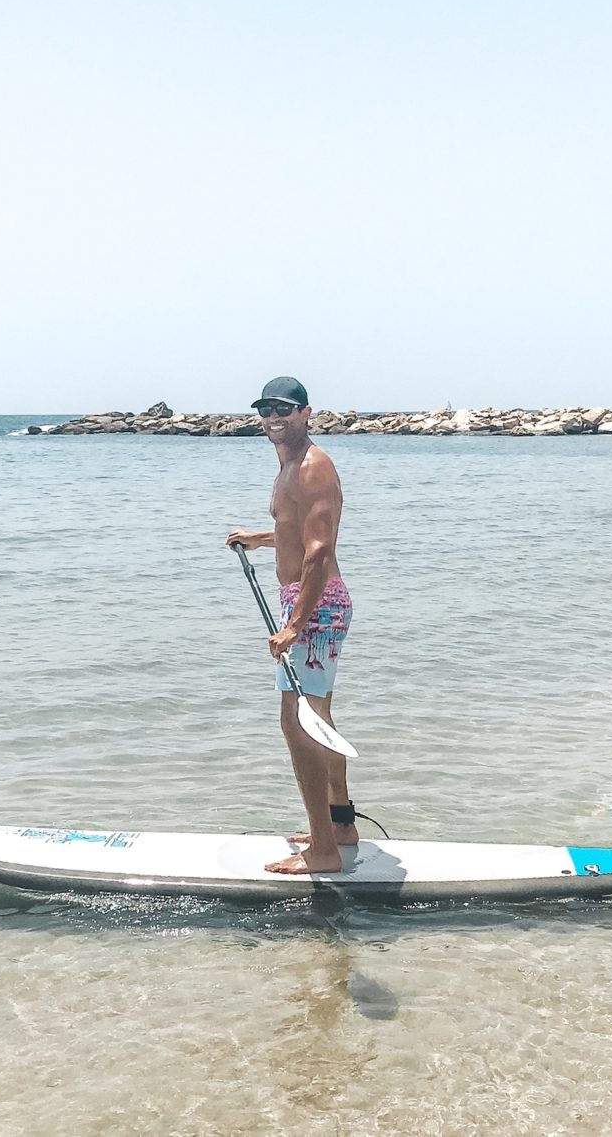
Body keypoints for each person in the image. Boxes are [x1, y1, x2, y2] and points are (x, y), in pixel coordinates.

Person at [226, 375, 355, 876]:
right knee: (317, 720)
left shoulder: (313, 467)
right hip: (305, 601)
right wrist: (261, 539)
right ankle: (339, 826)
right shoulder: (287, 468)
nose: (273, 417)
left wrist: (296, 624)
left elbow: (320, 550)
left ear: (306, 412)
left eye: (284, 408)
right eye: (265, 409)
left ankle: (323, 852)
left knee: (297, 723)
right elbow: (296, 532)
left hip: (315, 605)